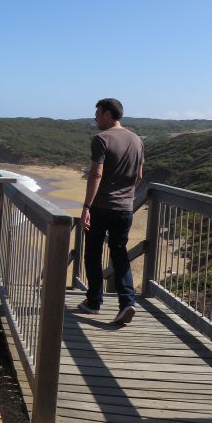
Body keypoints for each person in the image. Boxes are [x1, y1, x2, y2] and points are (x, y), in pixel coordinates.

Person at [78, 98, 144, 324]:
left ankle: (94, 302)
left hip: (101, 207)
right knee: (119, 253)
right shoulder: (137, 140)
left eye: (97, 113)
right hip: (125, 208)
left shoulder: (101, 139)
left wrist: (87, 206)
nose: (95, 118)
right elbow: (139, 175)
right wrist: (126, 195)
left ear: (107, 114)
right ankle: (127, 303)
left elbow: (96, 174)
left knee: (93, 254)